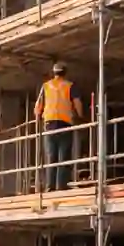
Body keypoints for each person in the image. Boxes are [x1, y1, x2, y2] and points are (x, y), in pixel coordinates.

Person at [34, 62, 83, 191]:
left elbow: (37, 107)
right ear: (65, 73)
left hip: (49, 124)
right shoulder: (70, 86)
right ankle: (61, 186)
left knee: (51, 156)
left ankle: (49, 187)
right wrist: (80, 116)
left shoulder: (46, 86)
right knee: (64, 156)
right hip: (64, 123)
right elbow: (77, 104)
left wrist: (39, 117)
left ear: (54, 73)